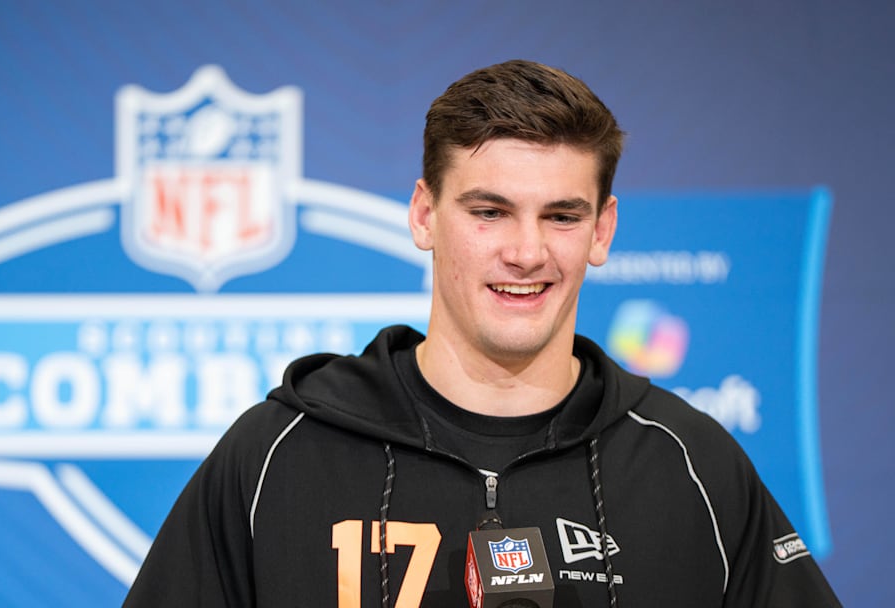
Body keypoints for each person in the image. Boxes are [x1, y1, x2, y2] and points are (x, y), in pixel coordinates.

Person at [123, 59, 841, 607]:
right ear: (424, 216)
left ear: (603, 230)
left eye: (561, 215)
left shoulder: (692, 465)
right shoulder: (276, 455)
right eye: (489, 211)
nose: (526, 252)